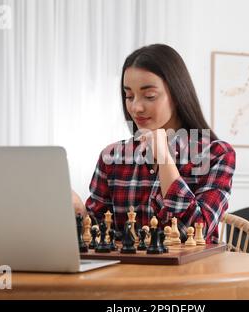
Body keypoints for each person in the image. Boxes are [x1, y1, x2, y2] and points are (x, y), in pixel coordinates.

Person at [72, 44, 235, 244]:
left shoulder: (216, 154)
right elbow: (99, 234)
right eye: (129, 96)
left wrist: (165, 159)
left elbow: (191, 231)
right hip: (126, 274)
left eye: (149, 96)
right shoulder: (112, 156)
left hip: (191, 274)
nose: (136, 107)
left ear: (177, 95)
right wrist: (80, 213)